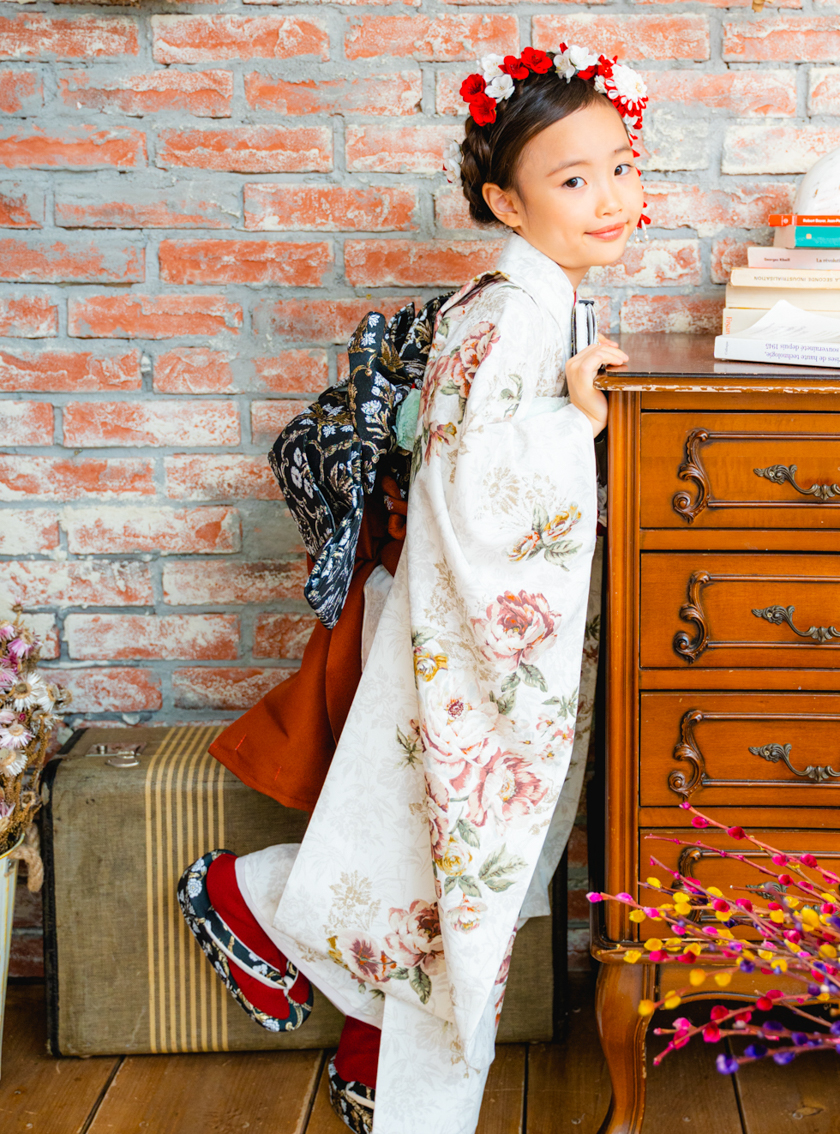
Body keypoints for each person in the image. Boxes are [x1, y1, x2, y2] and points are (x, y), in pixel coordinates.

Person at [178, 43, 648, 1134]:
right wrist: (575, 425)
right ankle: (269, 917)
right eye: (574, 179)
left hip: (469, 618)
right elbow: (472, 483)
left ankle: (359, 1040)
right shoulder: (508, 312)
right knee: (460, 868)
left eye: (622, 167)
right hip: (464, 625)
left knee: (457, 868)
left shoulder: (538, 299)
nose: (611, 198)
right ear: (506, 201)